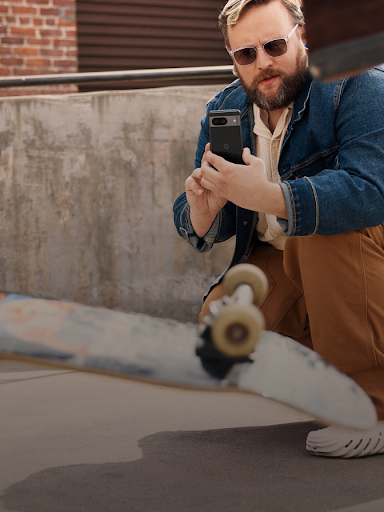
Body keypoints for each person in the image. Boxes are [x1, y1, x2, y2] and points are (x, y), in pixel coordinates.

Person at [173, 0, 384, 458]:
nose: (262, 63)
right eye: (245, 54)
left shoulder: (355, 84)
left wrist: (270, 195)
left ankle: (371, 406)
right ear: (232, 58)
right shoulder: (226, 108)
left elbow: (369, 192)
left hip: (361, 254)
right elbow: (204, 208)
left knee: (316, 227)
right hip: (292, 265)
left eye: (274, 45)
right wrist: (203, 212)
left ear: (302, 34)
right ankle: (338, 368)